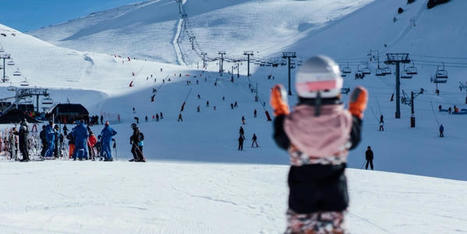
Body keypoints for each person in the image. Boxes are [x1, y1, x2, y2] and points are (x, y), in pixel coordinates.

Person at [270, 56, 365, 233]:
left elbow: (280, 138)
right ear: (336, 85)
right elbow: (354, 138)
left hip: (301, 202)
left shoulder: (292, 124)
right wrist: (356, 112)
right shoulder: (345, 122)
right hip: (334, 202)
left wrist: (280, 111)